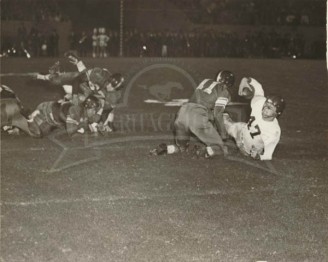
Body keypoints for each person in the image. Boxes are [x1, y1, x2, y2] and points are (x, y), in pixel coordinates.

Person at [150, 70, 235, 158]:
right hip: (197, 115)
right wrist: (223, 133)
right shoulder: (224, 92)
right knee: (220, 149)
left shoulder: (206, 81)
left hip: (182, 113)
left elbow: (203, 101)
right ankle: (203, 151)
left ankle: (167, 148)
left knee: (182, 147)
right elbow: (217, 113)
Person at [33, 52, 124, 133]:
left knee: (87, 102)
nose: (110, 88)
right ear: (109, 80)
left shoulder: (115, 94)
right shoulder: (99, 75)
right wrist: (75, 95)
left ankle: (67, 109)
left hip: (89, 89)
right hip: (82, 82)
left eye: (114, 88)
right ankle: (48, 75)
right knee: (59, 81)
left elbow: (108, 110)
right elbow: (78, 79)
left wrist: (108, 124)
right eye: (111, 85)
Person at [223, 77, 285, 160]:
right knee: (220, 117)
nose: (265, 109)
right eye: (265, 105)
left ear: (277, 113)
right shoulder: (259, 103)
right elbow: (258, 89)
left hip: (247, 149)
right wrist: (246, 80)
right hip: (241, 130)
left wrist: (258, 156)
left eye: (269, 108)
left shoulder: (274, 131)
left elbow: (268, 155)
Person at [27, 95, 102, 138]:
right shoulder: (75, 111)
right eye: (93, 110)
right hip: (45, 112)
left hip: (54, 114)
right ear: (87, 107)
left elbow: (90, 120)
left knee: (55, 130)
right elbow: (72, 134)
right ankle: (30, 118)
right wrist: (91, 135)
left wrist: (100, 125)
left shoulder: (82, 108)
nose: (94, 112)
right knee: (38, 134)